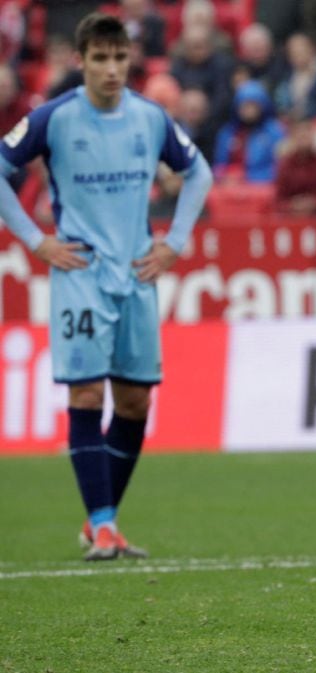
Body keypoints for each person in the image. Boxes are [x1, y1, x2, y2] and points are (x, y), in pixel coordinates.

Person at [0, 13, 212, 561]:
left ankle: (101, 518)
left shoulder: (150, 117)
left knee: (136, 402)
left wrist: (175, 242)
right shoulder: (53, 118)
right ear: (81, 61)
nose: (112, 69)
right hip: (82, 274)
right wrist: (36, 241)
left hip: (137, 273)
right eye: (100, 58)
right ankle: (103, 523)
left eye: (119, 58)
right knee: (88, 394)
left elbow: (199, 173)